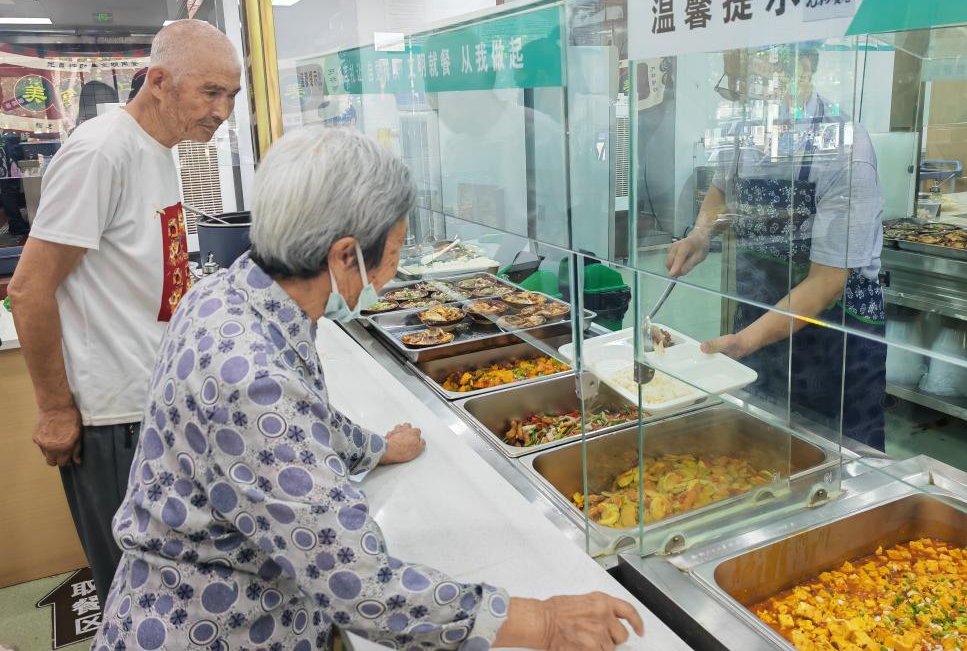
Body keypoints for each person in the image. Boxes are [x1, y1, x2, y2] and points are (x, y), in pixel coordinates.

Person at [95, 126, 644, 651]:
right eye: (396, 252)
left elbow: (299, 420)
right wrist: (544, 622)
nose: (392, 274)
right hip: (210, 628)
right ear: (344, 255)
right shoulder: (255, 381)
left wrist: (374, 447)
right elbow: (359, 585)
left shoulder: (226, 293)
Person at [8, 20, 242, 605]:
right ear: (158, 82)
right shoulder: (101, 152)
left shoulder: (159, 148)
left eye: (231, 95)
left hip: (155, 404)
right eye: (211, 92)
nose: (223, 111)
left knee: (173, 590)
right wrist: (55, 409)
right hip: (114, 418)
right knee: (137, 593)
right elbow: (30, 290)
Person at [666, 45, 888, 451]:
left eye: (749, 81)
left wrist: (743, 342)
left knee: (832, 456)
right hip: (758, 315)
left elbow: (827, 281)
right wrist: (700, 234)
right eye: (733, 83)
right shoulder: (744, 130)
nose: (740, 95)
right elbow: (721, 189)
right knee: (752, 445)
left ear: (803, 67)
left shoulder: (845, 148)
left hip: (834, 333)